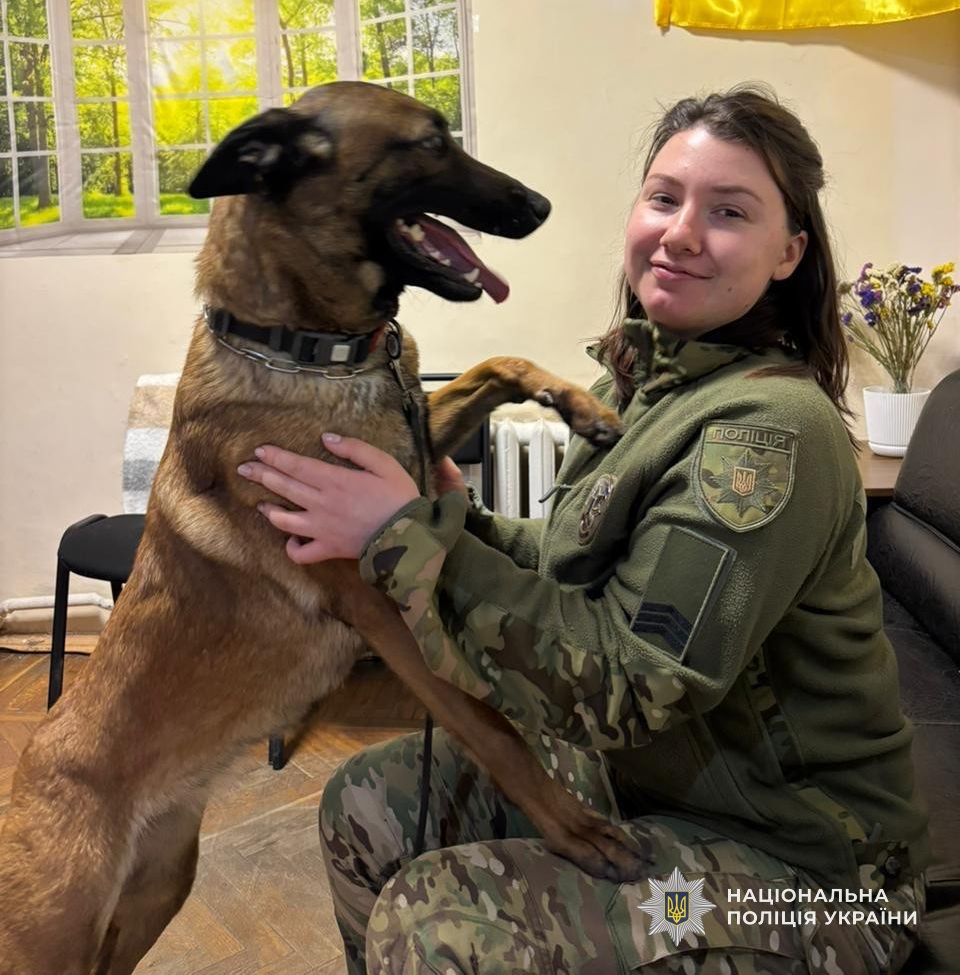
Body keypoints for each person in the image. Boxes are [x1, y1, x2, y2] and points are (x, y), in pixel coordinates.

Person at [239, 86, 929, 974]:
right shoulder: (638, 390)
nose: (682, 233)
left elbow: (633, 683)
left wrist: (402, 538)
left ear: (789, 251)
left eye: (729, 212)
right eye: (664, 198)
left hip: (808, 874)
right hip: (644, 789)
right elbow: (568, 571)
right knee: (368, 802)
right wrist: (451, 520)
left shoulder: (765, 437)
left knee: (439, 921)